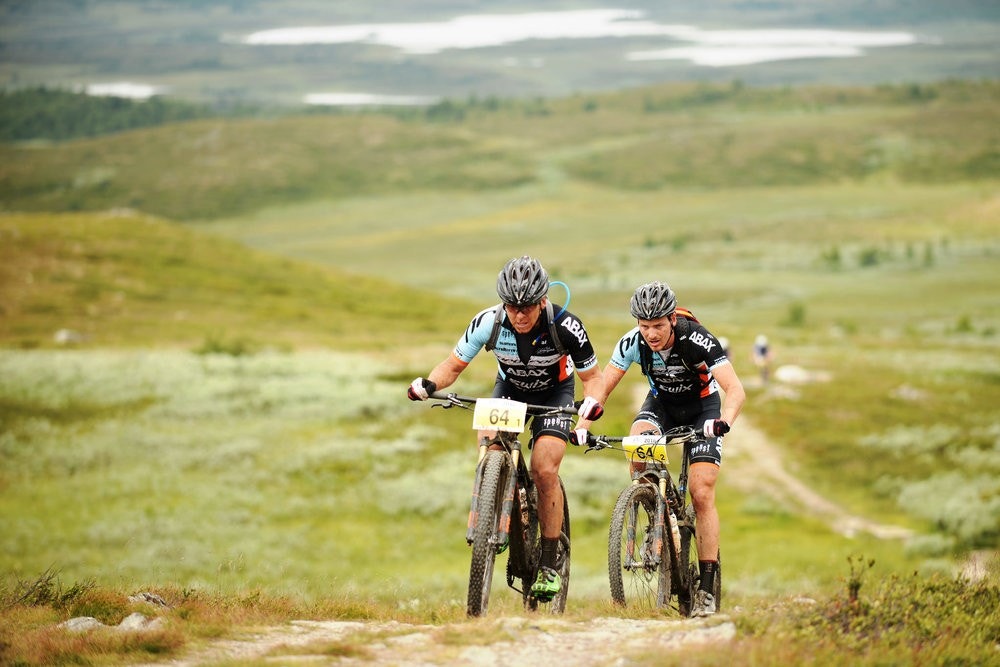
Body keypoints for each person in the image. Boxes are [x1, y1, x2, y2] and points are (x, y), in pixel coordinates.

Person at [407, 255, 605, 602]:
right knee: (489, 447)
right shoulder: (488, 322)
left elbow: (593, 378)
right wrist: (427, 382)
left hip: (555, 394)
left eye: (528, 306)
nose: (520, 314)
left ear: (543, 299)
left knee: (544, 470)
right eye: (512, 306)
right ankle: (491, 510)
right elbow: (453, 366)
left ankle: (547, 562)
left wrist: (589, 408)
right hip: (509, 390)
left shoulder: (566, 325)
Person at [577, 280, 745, 617]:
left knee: (701, 492)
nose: (650, 334)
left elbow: (735, 389)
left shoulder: (697, 339)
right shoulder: (632, 343)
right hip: (661, 405)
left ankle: (707, 588)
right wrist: (583, 426)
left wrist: (723, 420)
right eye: (644, 326)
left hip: (703, 410)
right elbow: (602, 389)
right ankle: (653, 504)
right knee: (638, 440)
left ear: (671, 319)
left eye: (657, 326)